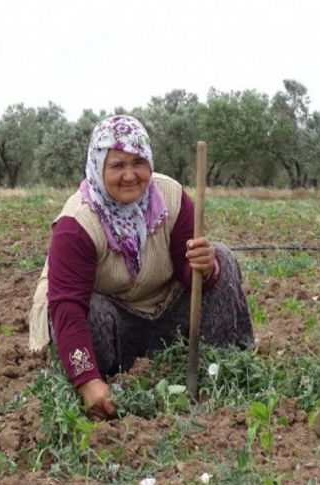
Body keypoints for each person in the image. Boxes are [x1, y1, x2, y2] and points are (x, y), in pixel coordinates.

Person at [28, 114, 253, 420]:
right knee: (91, 310)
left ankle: (223, 366)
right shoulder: (77, 224)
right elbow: (67, 307)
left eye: (138, 163)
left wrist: (204, 267)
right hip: (111, 321)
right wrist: (87, 381)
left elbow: (189, 274)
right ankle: (106, 379)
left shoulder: (171, 197)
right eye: (117, 165)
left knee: (221, 258)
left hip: (162, 310)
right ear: (98, 167)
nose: (130, 175)